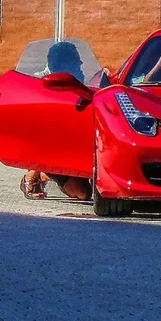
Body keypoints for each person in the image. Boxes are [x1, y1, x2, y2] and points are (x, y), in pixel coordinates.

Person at [20, 40, 95, 201]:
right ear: (63, 63)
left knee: (86, 190)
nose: (80, 64)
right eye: (75, 60)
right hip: (51, 149)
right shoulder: (37, 83)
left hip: (77, 146)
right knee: (83, 194)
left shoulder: (80, 80)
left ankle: (42, 173)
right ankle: (38, 172)